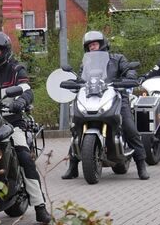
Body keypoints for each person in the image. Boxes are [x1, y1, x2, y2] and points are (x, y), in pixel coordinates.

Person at [0, 31, 53, 225]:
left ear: (5, 51)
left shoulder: (16, 69)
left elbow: (27, 90)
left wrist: (21, 101)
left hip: (11, 123)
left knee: (24, 156)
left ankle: (40, 206)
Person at [62, 30, 150, 181]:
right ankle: (73, 166)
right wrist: (74, 82)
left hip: (116, 96)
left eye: (95, 44)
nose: (92, 48)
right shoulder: (87, 63)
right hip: (93, 97)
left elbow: (129, 70)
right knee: (76, 127)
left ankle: (141, 164)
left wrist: (129, 77)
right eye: (89, 46)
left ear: (103, 45)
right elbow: (82, 78)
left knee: (129, 127)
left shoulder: (117, 58)